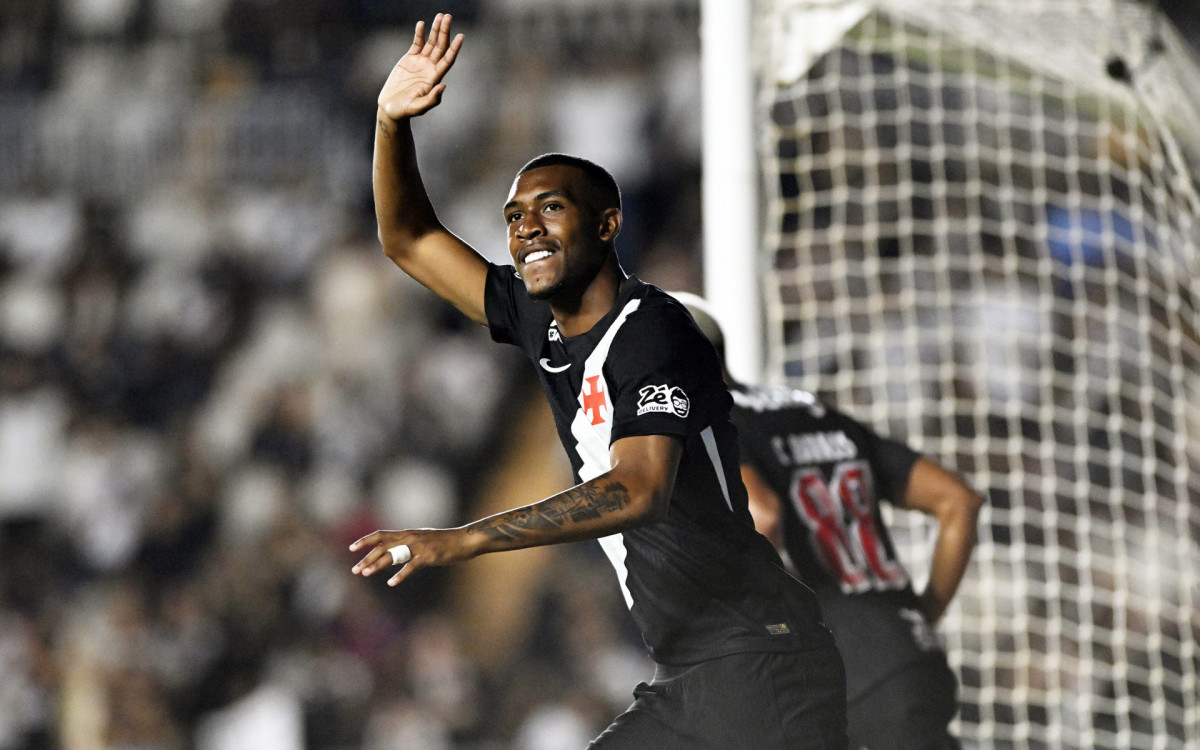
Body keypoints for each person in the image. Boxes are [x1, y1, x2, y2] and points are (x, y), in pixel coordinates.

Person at [348, 14, 848, 749]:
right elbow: (410, 239)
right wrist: (391, 122)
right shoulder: (538, 320)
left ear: (609, 225)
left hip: (763, 661)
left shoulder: (654, 330)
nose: (526, 229)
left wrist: (467, 540)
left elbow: (638, 490)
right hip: (692, 673)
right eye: (514, 216)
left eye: (550, 208)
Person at [672, 292, 983, 750]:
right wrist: (918, 615)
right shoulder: (809, 411)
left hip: (845, 677)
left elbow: (761, 515)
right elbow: (958, 500)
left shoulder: (710, 422)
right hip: (906, 655)